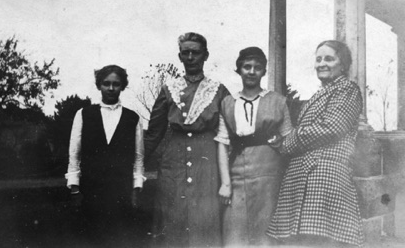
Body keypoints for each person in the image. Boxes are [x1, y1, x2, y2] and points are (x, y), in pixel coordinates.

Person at [267, 40, 364, 247]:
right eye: (318, 59)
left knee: (322, 240)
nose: (322, 64)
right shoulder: (322, 93)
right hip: (302, 177)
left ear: (343, 65)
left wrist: (287, 142)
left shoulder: (347, 89)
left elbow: (331, 128)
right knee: (299, 241)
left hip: (325, 177)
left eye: (329, 58)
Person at [145, 32, 230, 247]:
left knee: (205, 218)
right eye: (186, 53)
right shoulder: (168, 89)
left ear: (206, 55)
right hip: (174, 162)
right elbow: (153, 133)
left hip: (207, 161)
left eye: (196, 52)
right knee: (174, 217)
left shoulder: (218, 91)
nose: (191, 57)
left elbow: (231, 133)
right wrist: (133, 165)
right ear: (180, 56)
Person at [215, 47, 292, 247]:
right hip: (237, 176)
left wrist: (279, 143)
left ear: (264, 71)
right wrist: (225, 183)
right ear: (238, 70)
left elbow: (290, 140)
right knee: (235, 234)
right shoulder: (227, 103)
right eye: (246, 67)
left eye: (257, 68)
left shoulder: (277, 101)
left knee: (265, 235)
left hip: (270, 177)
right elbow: (222, 144)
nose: (251, 71)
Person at [65, 65, 146, 246]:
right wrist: (74, 188)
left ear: (122, 86)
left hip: (121, 193)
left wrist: (136, 189)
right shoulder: (84, 114)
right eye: (106, 83)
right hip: (91, 192)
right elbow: (74, 154)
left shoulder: (133, 118)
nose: (111, 88)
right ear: (99, 85)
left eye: (116, 84)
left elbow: (138, 157)